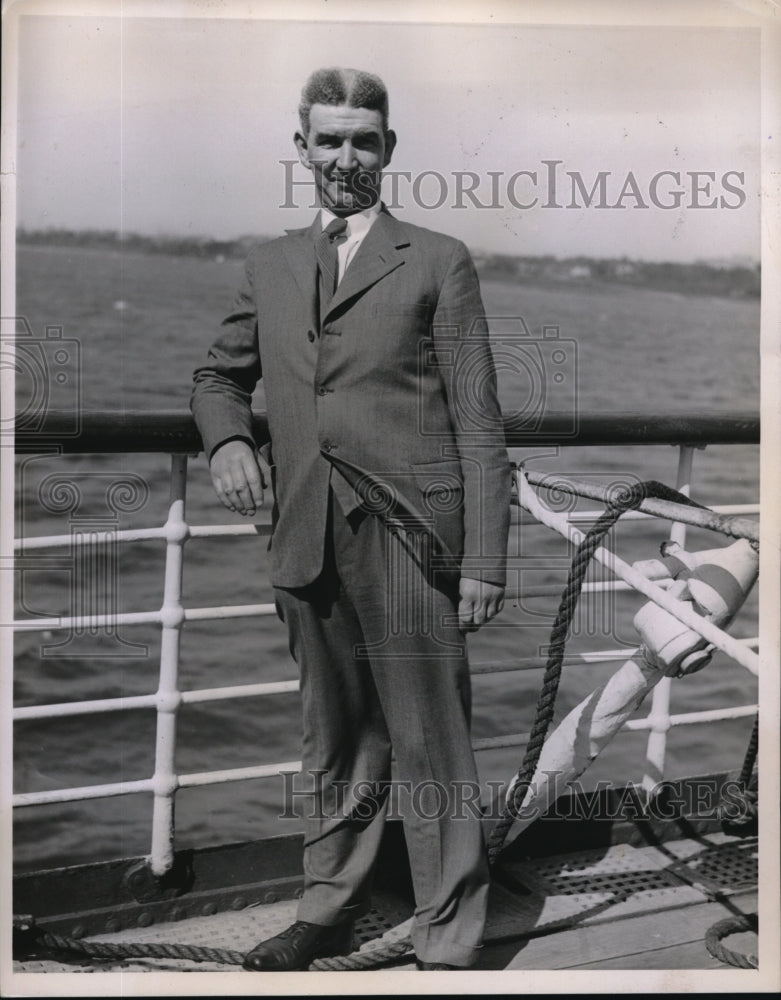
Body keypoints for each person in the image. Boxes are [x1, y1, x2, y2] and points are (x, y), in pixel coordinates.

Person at [191, 67, 511, 971]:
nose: (344, 157)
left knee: (432, 739)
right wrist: (226, 443)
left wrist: (484, 556)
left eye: (362, 140)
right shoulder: (272, 263)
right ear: (301, 150)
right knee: (333, 738)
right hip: (306, 529)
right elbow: (217, 377)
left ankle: (450, 937)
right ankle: (326, 909)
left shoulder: (438, 260)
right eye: (327, 140)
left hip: (414, 538)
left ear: (387, 151)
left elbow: (478, 417)